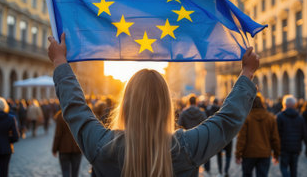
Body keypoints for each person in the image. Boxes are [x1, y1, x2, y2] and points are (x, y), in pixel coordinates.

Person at [47, 33, 259, 176]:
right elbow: (227, 120)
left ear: (127, 104)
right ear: (167, 106)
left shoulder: (103, 146)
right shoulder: (186, 147)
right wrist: (247, 73)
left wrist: (60, 62)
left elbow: (75, 108)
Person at [235, 93, 280, 177]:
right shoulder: (270, 118)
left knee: (247, 175)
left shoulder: (246, 118)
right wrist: (276, 153)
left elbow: (241, 138)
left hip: (248, 153)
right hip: (264, 153)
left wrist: (238, 154)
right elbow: (275, 138)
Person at [276, 95, 305, 177]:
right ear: (294, 105)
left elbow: (276, 133)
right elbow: (303, 133)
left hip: (284, 147)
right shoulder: (299, 117)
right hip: (296, 147)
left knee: (284, 167)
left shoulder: (279, 116)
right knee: (294, 168)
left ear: (284, 104)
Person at [52, 110, 82, 177]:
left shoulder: (60, 116)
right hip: (77, 148)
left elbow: (58, 134)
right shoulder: (79, 115)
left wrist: (54, 149)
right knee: (75, 172)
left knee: (65, 171)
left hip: (64, 148)